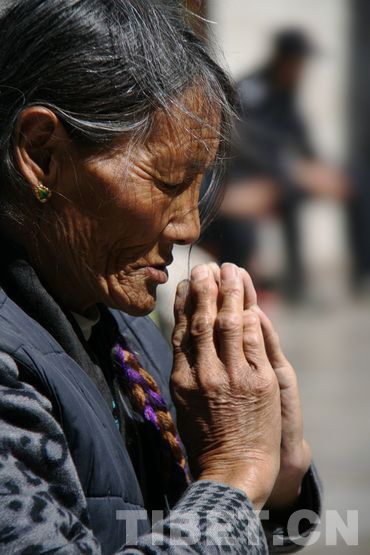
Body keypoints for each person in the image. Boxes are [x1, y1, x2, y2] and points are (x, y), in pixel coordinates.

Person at [0, 2, 321, 553]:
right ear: (41, 154)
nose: (189, 227)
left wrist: (281, 473)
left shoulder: (121, 326)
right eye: (169, 181)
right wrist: (235, 476)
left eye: (198, 187)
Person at [201, 29, 348, 299]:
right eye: (297, 62)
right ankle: (242, 280)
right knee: (247, 214)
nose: (301, 71)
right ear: (282, 60)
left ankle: (307, 282)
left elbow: (300, 137)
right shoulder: (251, 89)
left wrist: (318, 168)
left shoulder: (286, 94)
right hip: (239, 176)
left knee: (351, 184)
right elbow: (241, 142)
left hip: (277, 177)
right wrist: (289, 169)